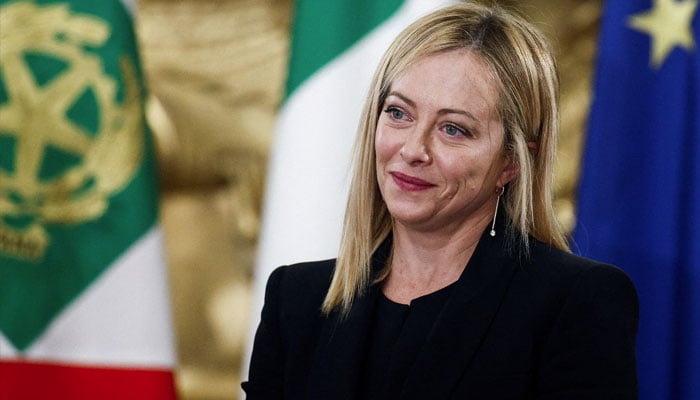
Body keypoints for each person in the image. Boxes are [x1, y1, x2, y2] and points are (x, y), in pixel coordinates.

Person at [242, 2, 639, 399]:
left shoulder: (575, 303)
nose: (414, 149)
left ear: (512, 163)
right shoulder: (296, 298)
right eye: (398, 113)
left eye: (453, 129)